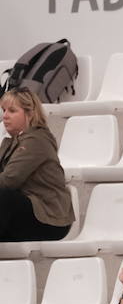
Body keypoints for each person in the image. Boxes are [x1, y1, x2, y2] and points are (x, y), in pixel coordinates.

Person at [0, 89, 74, 242]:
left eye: (12, 111)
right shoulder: (13, 141)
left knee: (4, 197)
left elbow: (8, 180)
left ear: (30, 114)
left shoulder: (36, 140)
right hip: (25, 213)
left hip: (49, 218)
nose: (5, 116)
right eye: (3, 110)